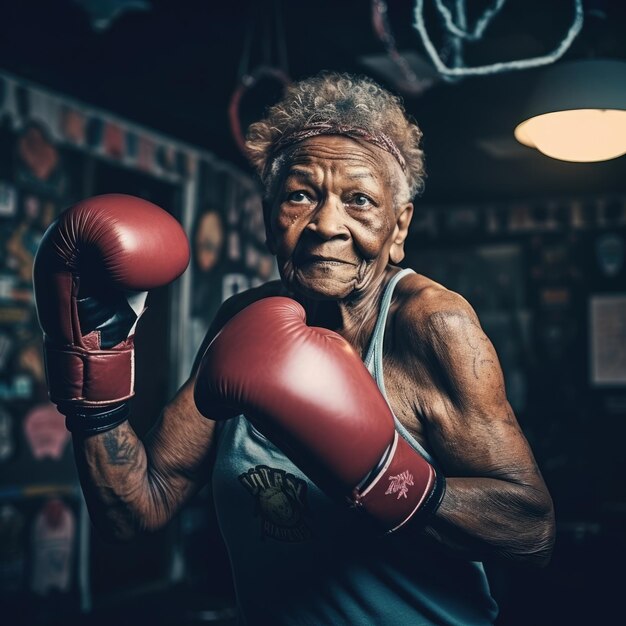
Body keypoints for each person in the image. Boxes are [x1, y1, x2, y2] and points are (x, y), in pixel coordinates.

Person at [33, 73, 555, 626]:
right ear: (268, 215)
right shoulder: (241, 323)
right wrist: (92, 367)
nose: (326, 225)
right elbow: (136, 509)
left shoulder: (431, 326)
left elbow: (531, 531)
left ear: (398, 227)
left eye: (359, 201)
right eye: (301, 195)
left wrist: (388, 480)